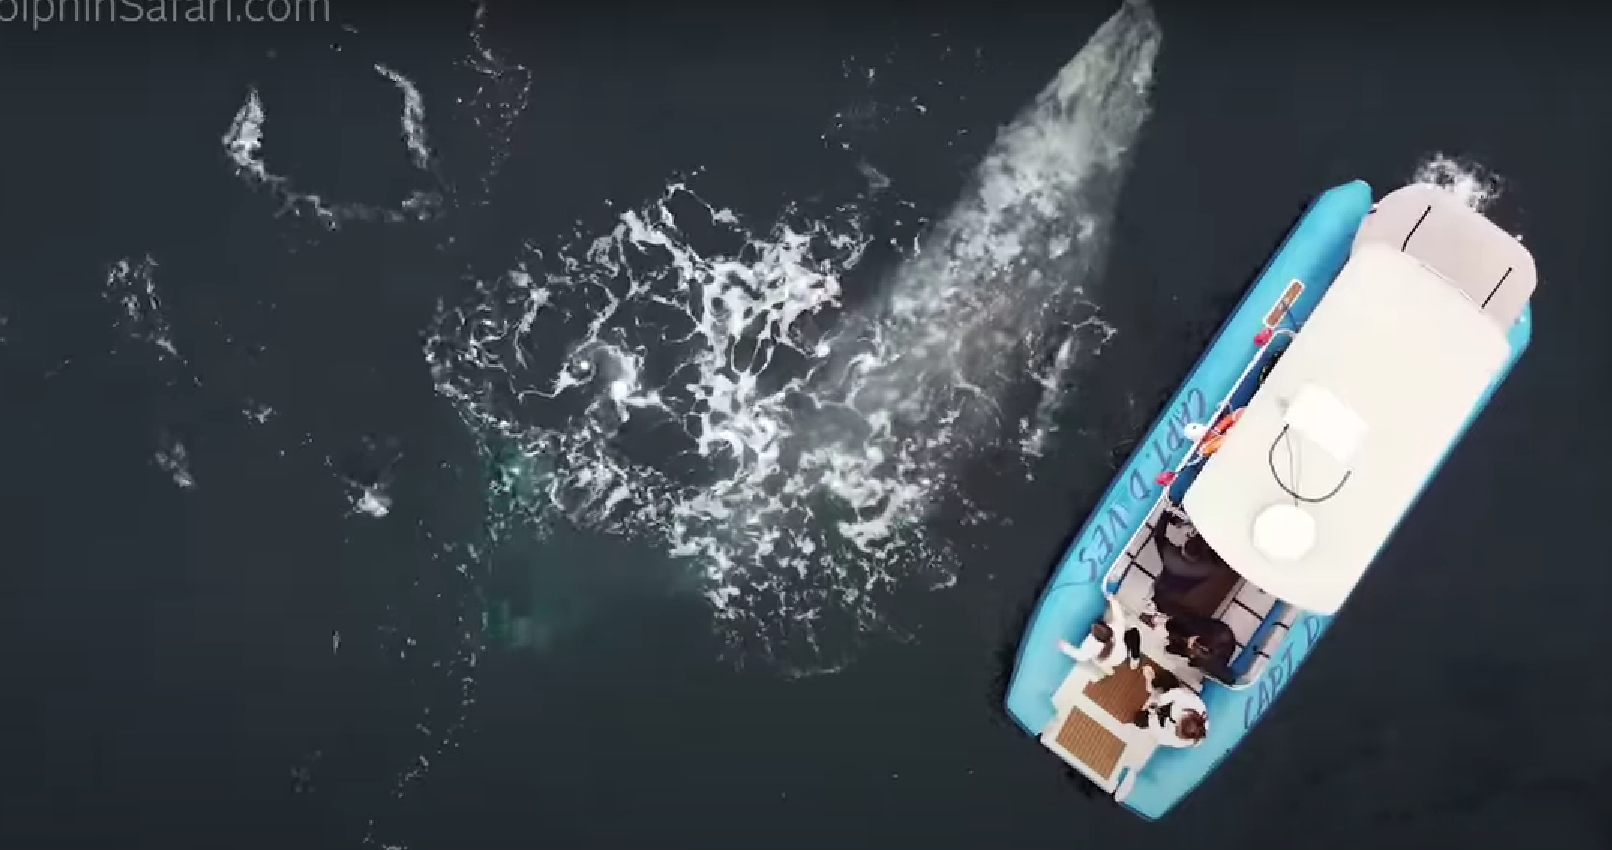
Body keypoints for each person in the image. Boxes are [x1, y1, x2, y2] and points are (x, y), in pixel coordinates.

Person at [1151, 499, 1231, 616]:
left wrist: (1167, 513)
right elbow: (1158, 535)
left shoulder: (1175, 561)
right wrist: (1167, 512)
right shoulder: (1176, 561)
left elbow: (1158, 535)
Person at [1139, 609, 1238, 685]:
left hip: (1214, 654)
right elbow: (1177, 623)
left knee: (1172, 647)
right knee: (1177, 627)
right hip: (1208, 634)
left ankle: (1172, 638)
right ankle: (1162, 624)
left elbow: (1230, 679)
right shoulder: (1201, 629)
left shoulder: (1210, 662)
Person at [1058, 596, 1141, 679]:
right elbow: (1119, 614)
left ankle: (1108, 669)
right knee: (1134, 631)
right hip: (1121, 656)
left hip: (1108, 661)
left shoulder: (1090, 645)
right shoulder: (1116, 627)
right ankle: (1134, 657)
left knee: (1097, 661)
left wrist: (1064, 647)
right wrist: (1112, 599)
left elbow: (1081, 656)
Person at [1132, 665, 1209, 747]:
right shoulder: (1194, 704)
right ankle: (1154, 682)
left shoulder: (1180, 741)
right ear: (1189, 715)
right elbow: (1177, 693)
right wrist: (1159, 702)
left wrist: (1153, 715)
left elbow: (1160, 736)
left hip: (1164, 720)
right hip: (1173, 703)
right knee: (1166, 677)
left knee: (1138, 720)